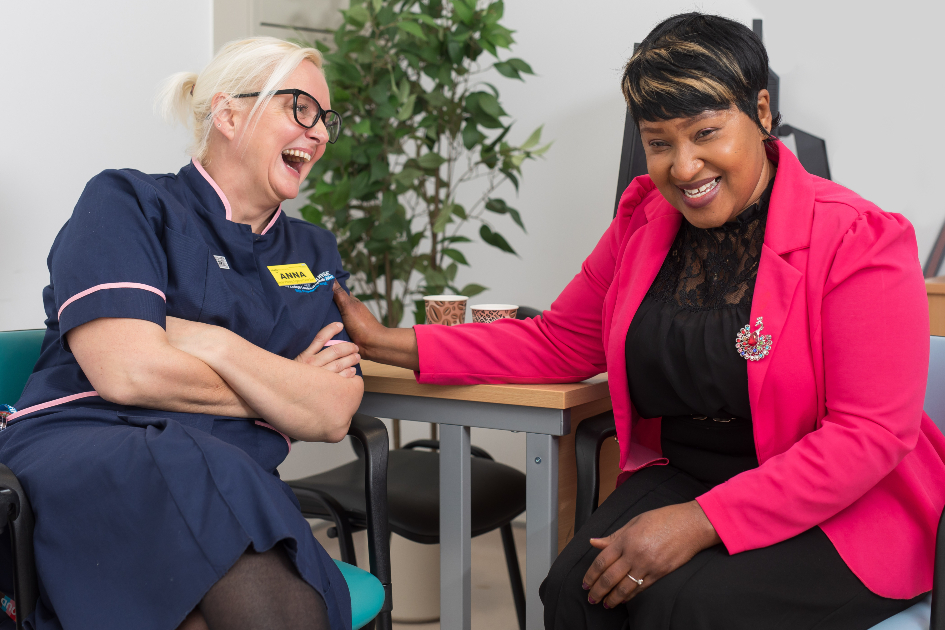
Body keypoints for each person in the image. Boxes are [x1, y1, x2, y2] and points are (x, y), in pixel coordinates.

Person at [331, 12, 945, 629]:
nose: (683, 167)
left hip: (841, 505)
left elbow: (869, 437)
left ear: (761, 112)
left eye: (705, 132)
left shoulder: (859, 237)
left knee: (701, 610)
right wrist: (389, 343)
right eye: (659, 143)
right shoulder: (643, 219)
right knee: (575, 592)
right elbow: (562, 340)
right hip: (688, 471)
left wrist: (701, 521)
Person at [0, 37, 363, 630]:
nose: (319, 132)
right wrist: (284, 388)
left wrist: (214, 343)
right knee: (204, 482)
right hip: (90, 450)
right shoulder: (127, 202)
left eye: (325, 118)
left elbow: (328, 413)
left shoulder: (313, 251)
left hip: (229, 475)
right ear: (228, 114)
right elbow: (127, 372)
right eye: (300, 108)